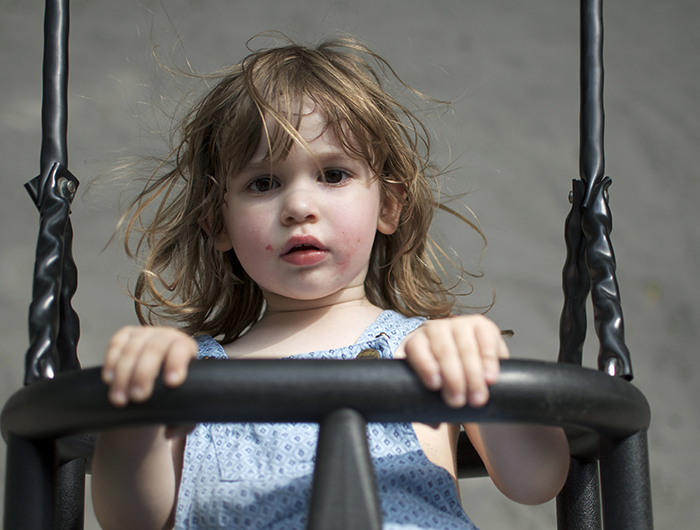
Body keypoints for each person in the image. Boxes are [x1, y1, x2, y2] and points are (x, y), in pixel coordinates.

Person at [90, 36, 570, 530]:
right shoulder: (189, 375)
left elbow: (537, 479)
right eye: (263, 183)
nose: (299, 206)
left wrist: (489, 371)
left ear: (388, 205)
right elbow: (130, 519)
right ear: (217, 223)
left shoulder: (426, 352)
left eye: (334, 175)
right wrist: (138, 405)